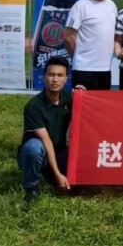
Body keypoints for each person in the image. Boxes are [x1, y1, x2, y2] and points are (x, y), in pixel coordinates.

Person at [17, 57, 72, 204]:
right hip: (37, 155)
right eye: (51, 75)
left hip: (59, 152)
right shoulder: (33, 106)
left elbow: (86, 109)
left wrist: (82, 94)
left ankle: (50, 175)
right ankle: (31, 188)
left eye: (60, 75)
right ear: (43, 77)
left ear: (66, 79)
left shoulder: (68, 98)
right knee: (34, 147)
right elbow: (46, 141)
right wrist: (58, 174)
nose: (55, 80)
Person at [64, 0, 117, 90]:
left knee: (102, 102)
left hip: (105, 69)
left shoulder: (112, 6)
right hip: (84, 69)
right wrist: (77, 57)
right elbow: (68, 37)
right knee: (82, 102)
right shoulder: (80, 6)